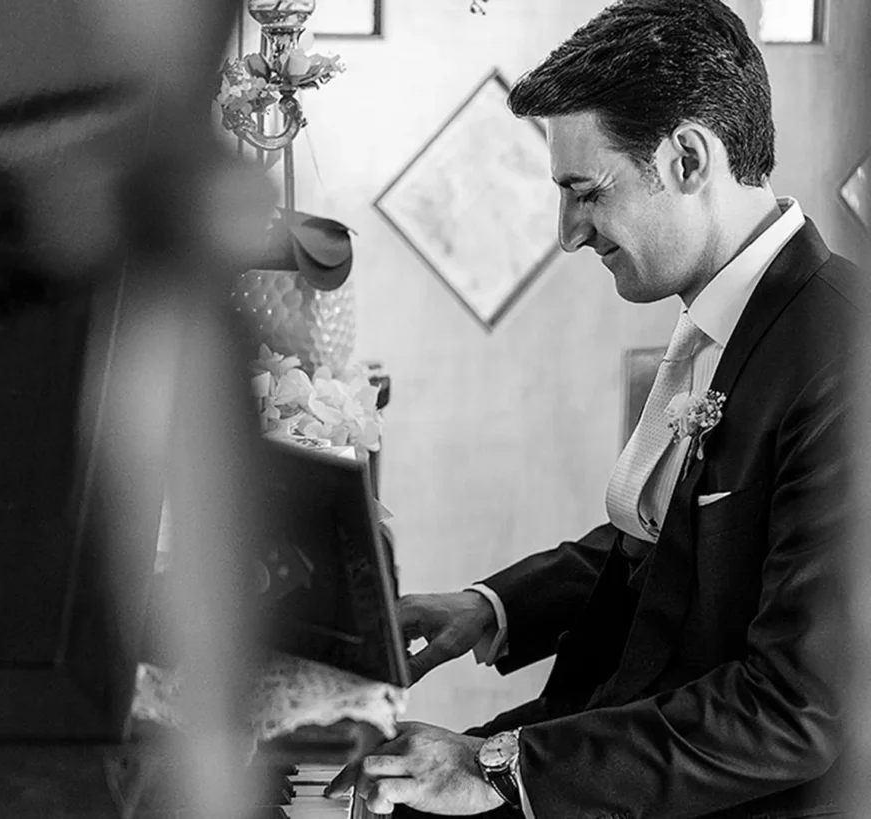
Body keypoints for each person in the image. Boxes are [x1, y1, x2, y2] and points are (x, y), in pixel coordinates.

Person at [326, 1, 867, 817]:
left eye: (585, 192)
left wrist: (498, 767)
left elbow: (796, 710)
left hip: (720, 795)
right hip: (610, 730)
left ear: (688, 158)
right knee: (389, 787)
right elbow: (674, 551)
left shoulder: (845, 354)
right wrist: (493, 605)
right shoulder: (730, 319)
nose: (569, 233)